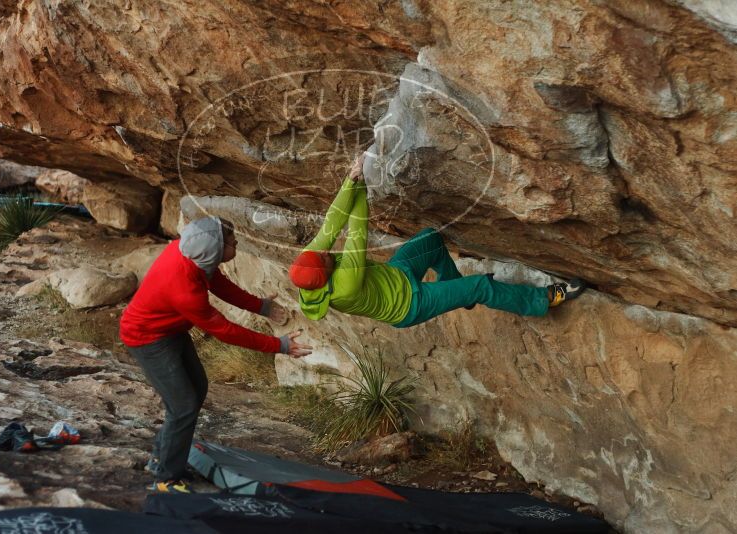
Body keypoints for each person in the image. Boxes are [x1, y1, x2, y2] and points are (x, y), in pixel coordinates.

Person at [120, 217, 311, 494]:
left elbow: (218, 283)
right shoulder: (184, 289)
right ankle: (165, 478)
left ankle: (162, 457)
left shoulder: (188, 252)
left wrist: (261, 306)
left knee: (197, 389)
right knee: (183, 404)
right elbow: (224, 330)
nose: (236, 244)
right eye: (232, 243)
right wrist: (278, 345)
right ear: (213, 251)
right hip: (147, 339)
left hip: (169, 331)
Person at [288, 154, 585, 327]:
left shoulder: (312, 264)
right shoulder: (345, 285)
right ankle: (544, 299)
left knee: (431, 239)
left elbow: (332, 222)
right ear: (325, 276)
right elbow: (356, 230)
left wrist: (350, 179)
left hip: (397, 274)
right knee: (480, 286)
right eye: (326, 258)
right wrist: (361, 185)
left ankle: (455, 288)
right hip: (409, 305)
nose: (325, 252)